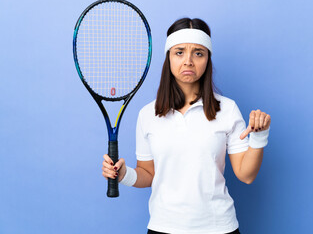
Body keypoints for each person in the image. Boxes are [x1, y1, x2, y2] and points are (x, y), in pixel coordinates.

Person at [102, 17, 271, 234]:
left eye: (198, 53)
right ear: (169, 58)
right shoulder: (148, 114)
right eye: (179, 52)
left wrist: (259, 137)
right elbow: (148, 174)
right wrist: (124, 174)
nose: (188, 61)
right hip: (163, 227)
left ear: (208, 59)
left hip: (219, 228)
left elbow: (246, 175)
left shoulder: (227, 110)